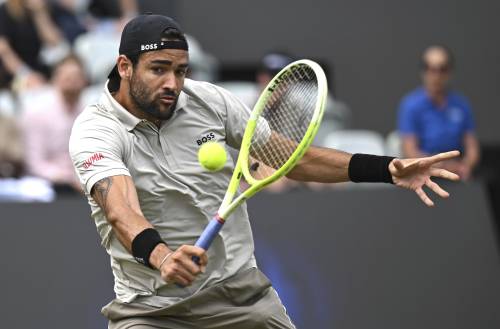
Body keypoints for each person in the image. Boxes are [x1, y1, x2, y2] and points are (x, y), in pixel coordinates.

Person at [69, 14, 460, 329]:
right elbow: (120, 208)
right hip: (151, 311)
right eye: (158, 69)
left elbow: (295, 158)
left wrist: (386, 168)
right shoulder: (96, 129)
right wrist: (162, 256)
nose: (173, 83)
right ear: (124, 66)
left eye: (181, 71)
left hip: (240, 299)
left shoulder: (212, 103)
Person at [397, 45, 480, 180]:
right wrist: (440, 165)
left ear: (449, 72)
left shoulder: (461, 104)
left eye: (442, 69)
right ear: (423, 71)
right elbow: (409, 150)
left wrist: (466, 165)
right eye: (430, 68)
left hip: (456, 174)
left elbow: (472, 147)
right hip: (423, 175)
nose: (436, 75)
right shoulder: (411, 105)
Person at [21, 54, 86, 194]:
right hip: (47, 186)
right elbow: (34, 163)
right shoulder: (37, 112)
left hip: (83, 182)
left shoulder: (89, 113)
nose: (73, 81)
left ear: (84, 81)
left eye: (77, 77)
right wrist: (68, 178)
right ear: (56, 79)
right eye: (67, 77)